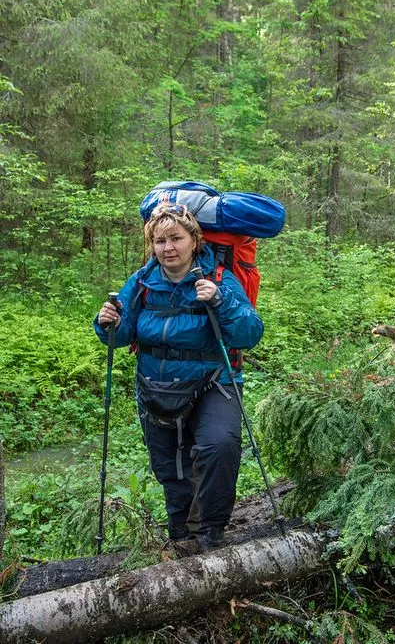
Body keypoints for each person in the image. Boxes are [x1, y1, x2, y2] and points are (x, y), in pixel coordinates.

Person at [94, 203, 264, 552]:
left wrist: (219, 301)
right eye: (159, 241)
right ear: (151, 245)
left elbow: (249, 333)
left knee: (219, 446)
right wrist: (106, 322)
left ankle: (211, 534)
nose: (167, 248)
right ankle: (181, 534)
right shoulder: (141, 282)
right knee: (170, 465)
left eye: (176, 238)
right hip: (155, 386)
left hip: (212, 382)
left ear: (194, 240)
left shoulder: (217, 278)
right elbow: (121, 335)